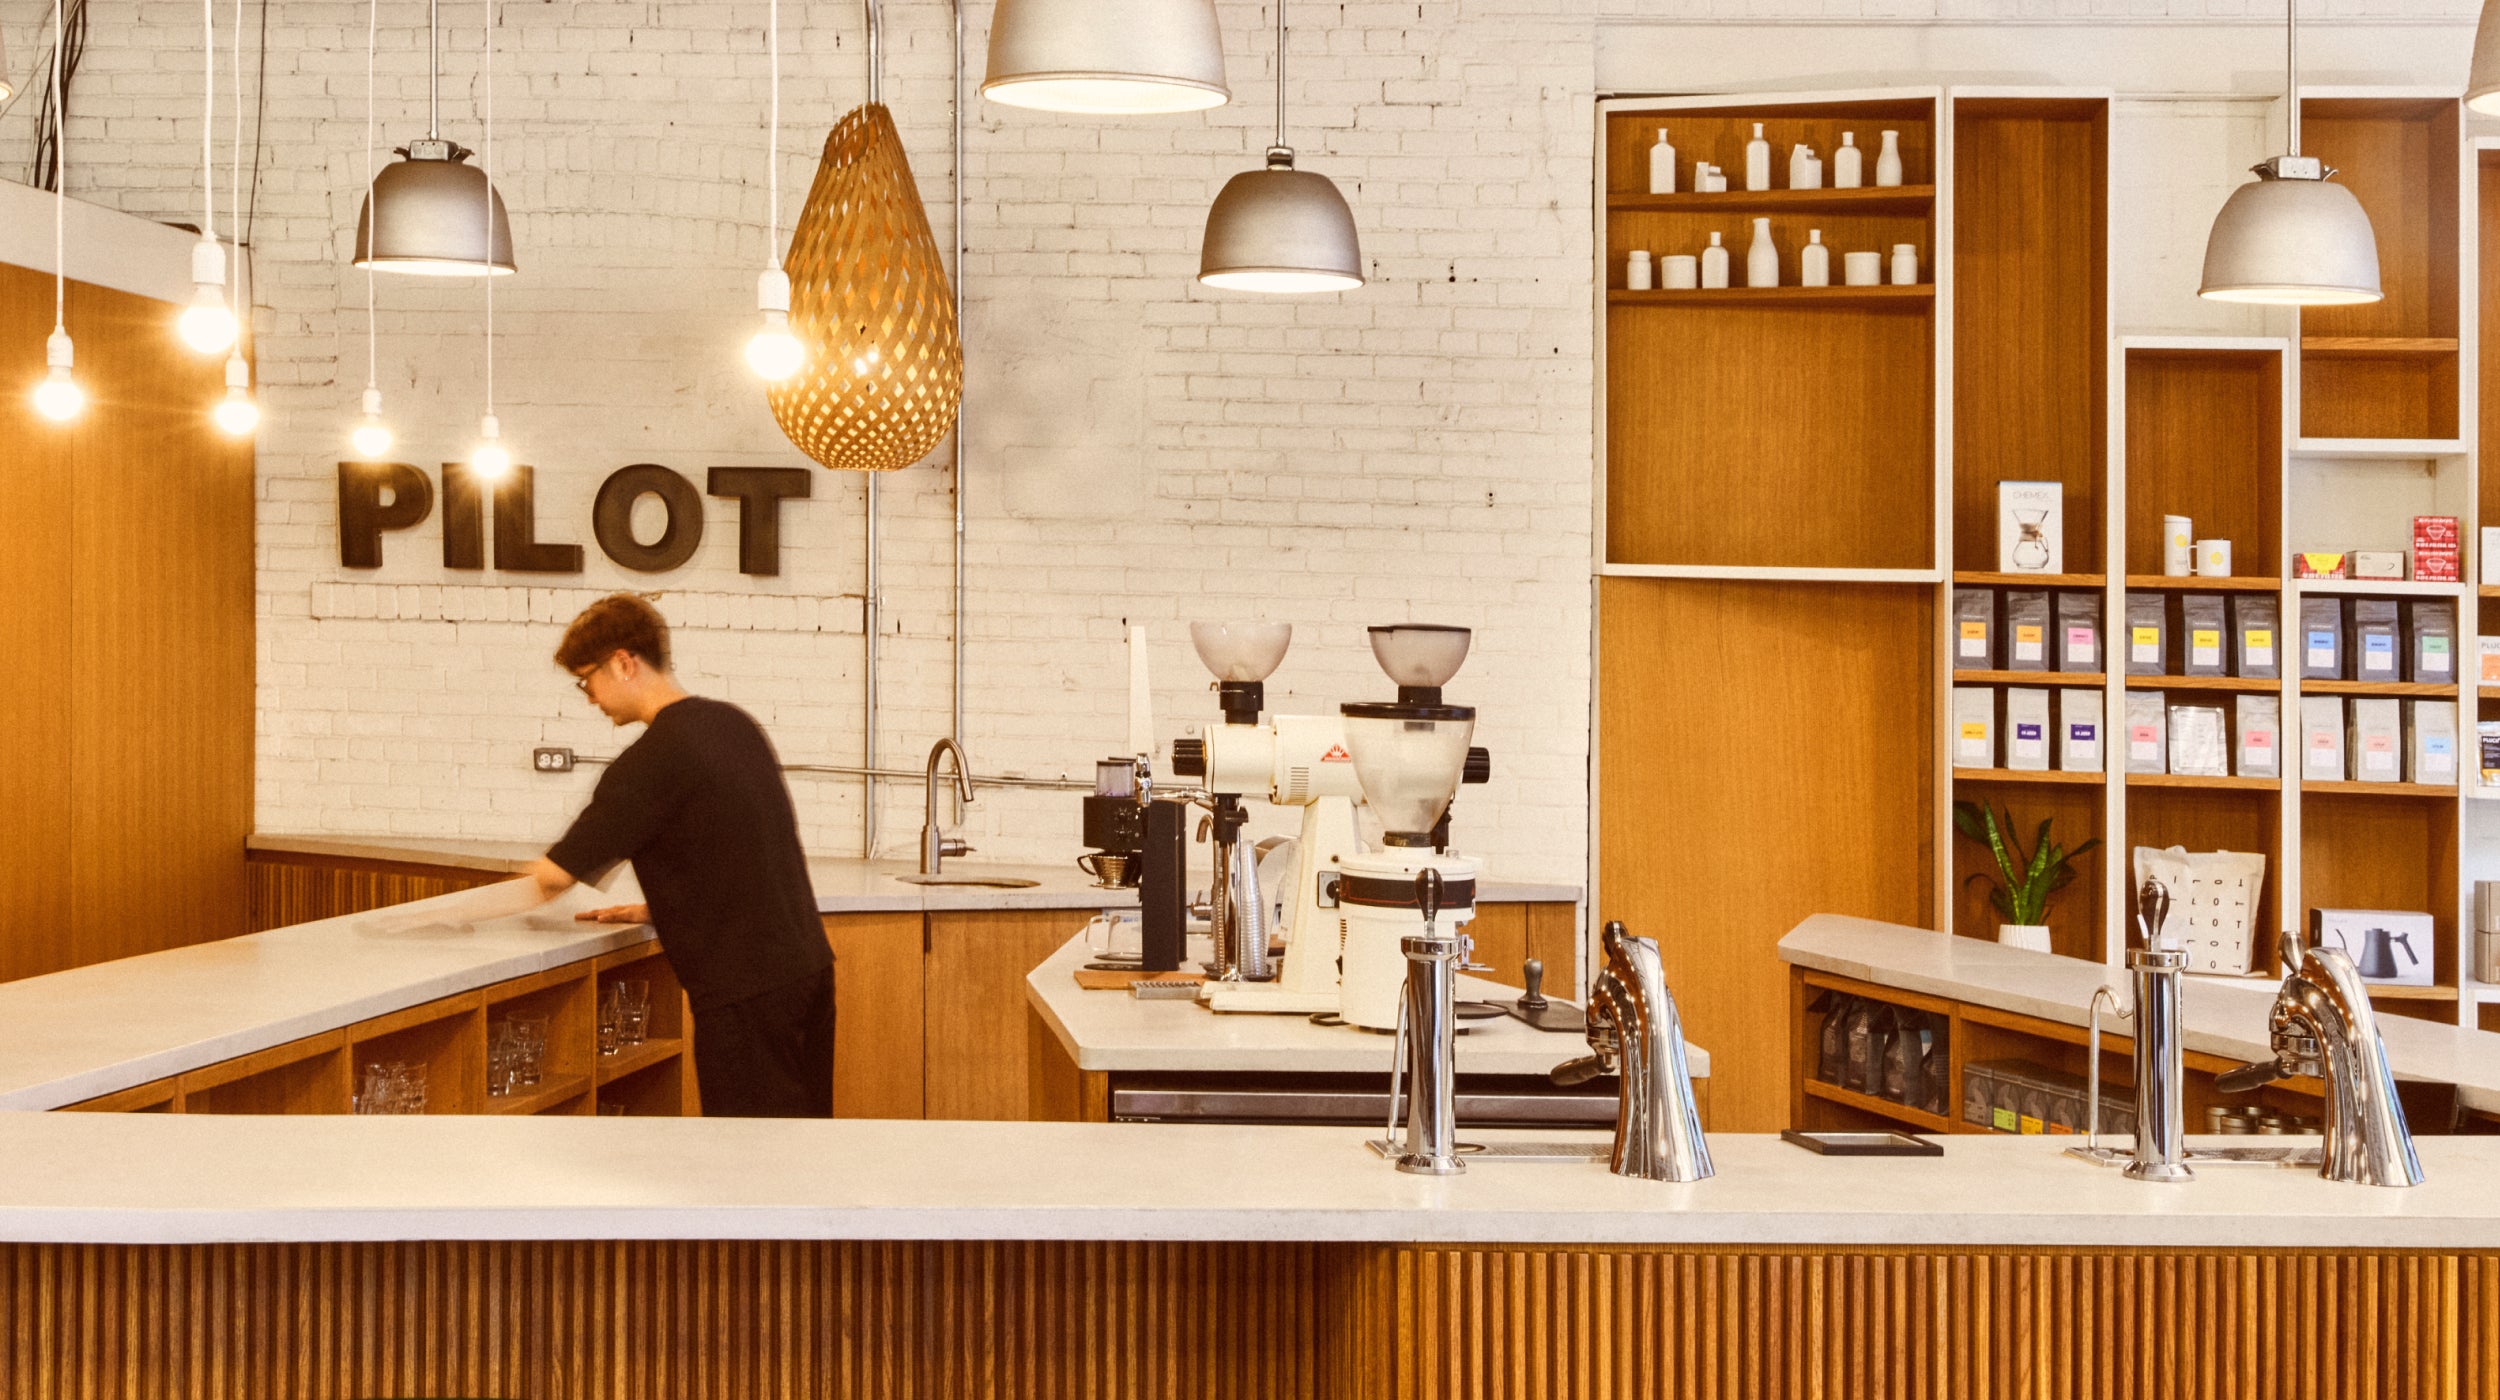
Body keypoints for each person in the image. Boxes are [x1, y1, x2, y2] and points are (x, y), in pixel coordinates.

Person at [521, 593, 835, 1117]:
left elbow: (551, 879)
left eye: (586, 680)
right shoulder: (734, 725)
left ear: (623, 662)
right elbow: (743, 851)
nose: (590, 698)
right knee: (803, 1146)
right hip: (807, 973)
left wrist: (444, 916)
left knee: (748, 1165)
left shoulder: (649, 763)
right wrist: (663, 908)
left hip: (745, 995)